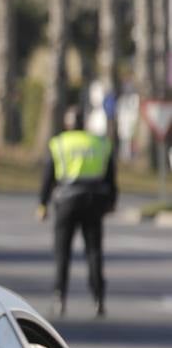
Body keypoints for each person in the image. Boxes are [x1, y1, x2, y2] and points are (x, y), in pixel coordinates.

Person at [39, 107, 117, 318]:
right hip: (94, 202)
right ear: (84, 124)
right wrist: (112, 201)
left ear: (67, 123)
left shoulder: (59, 143)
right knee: (94, 252)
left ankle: (59, 298)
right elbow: (110, 176)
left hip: (66, 202)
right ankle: (99, 298)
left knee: (62, 253)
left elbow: (48, 176)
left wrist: (42, 203)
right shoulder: (100, 143)